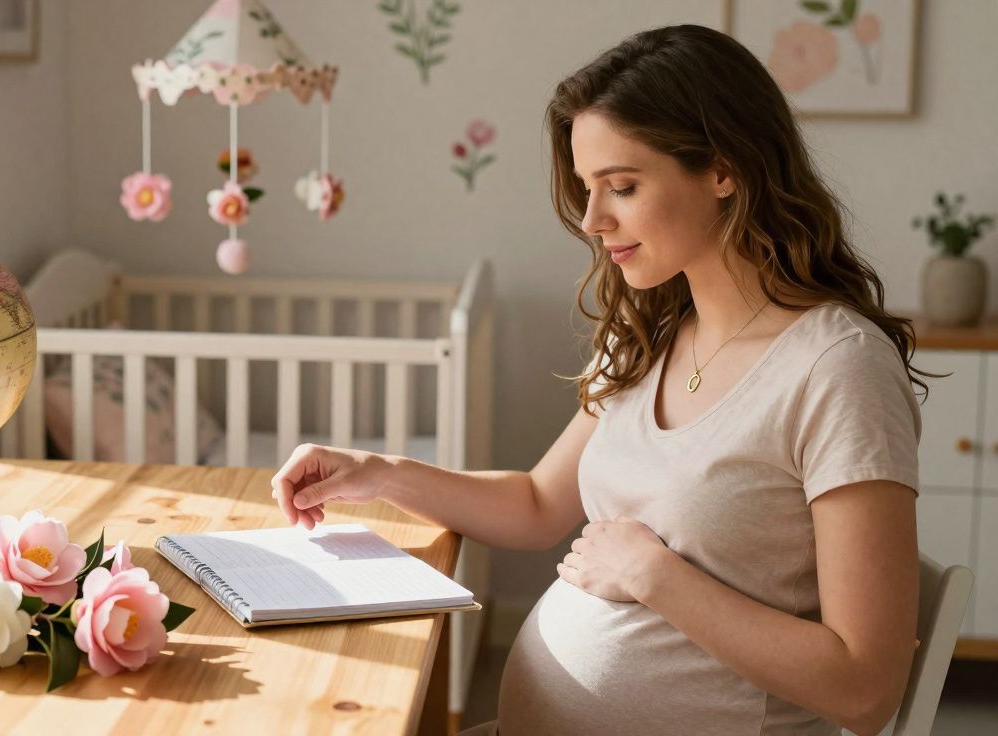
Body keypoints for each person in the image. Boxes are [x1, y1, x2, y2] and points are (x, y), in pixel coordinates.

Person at [270, 24, 935, 736]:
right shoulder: (649, 333)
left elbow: (866, 689)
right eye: (588, 189)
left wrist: (656, 577)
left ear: (723, 170)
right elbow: (533, 505)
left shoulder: (837, 370)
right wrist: (378, 473)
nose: (592, 219)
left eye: (621, 186)